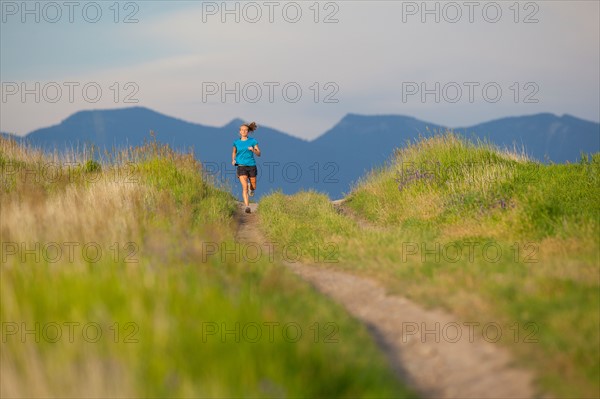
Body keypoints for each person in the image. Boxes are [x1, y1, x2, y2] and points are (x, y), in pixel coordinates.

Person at [232, 122, 260, 213]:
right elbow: (234, 152)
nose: (244, 131)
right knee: (244, 187)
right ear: (240, 132)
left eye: (245, 130)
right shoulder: (236, 142)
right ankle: (247, 206)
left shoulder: (253, 141)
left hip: (251, 166)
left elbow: (259, 153)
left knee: (253, 186)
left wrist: (254, 150)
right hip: (241, 167)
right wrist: (233, 160)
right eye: (242, 130)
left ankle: (250, 188)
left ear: (248, 132)